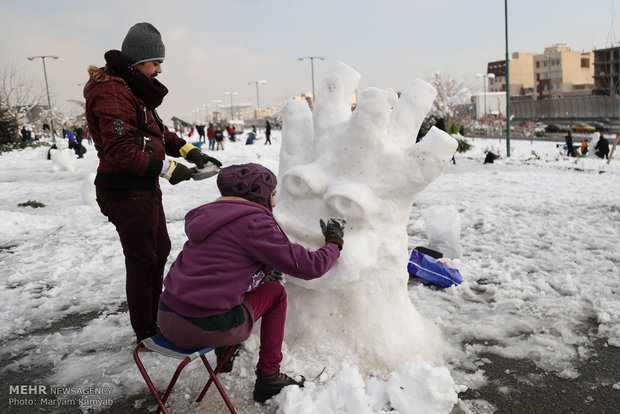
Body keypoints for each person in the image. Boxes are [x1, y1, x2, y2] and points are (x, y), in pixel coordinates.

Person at [158, 163, 345, 403]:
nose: (274, 203)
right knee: (276, 293)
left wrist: (261, 273)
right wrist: (334, 241)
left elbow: (222, 271)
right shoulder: (254, 222)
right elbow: (310, 267)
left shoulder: (208, 216)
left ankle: (225, 351)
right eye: (273, 195)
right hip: (203, 327)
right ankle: (269, 377)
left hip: (167, 319)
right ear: (258, 194)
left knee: (235, 285)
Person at [83, 22, 222, 343]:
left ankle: (154, 314)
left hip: (141, 188)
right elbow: (120, 151)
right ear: (137, 61)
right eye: (156, 62)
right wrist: (168, 169)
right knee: (143, 259)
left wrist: (190, 151)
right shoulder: (111, 92)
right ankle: (146, 331)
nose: (160, 69)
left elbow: (156, 132)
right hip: (124, 190)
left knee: (159, 249)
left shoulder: (131, 87)